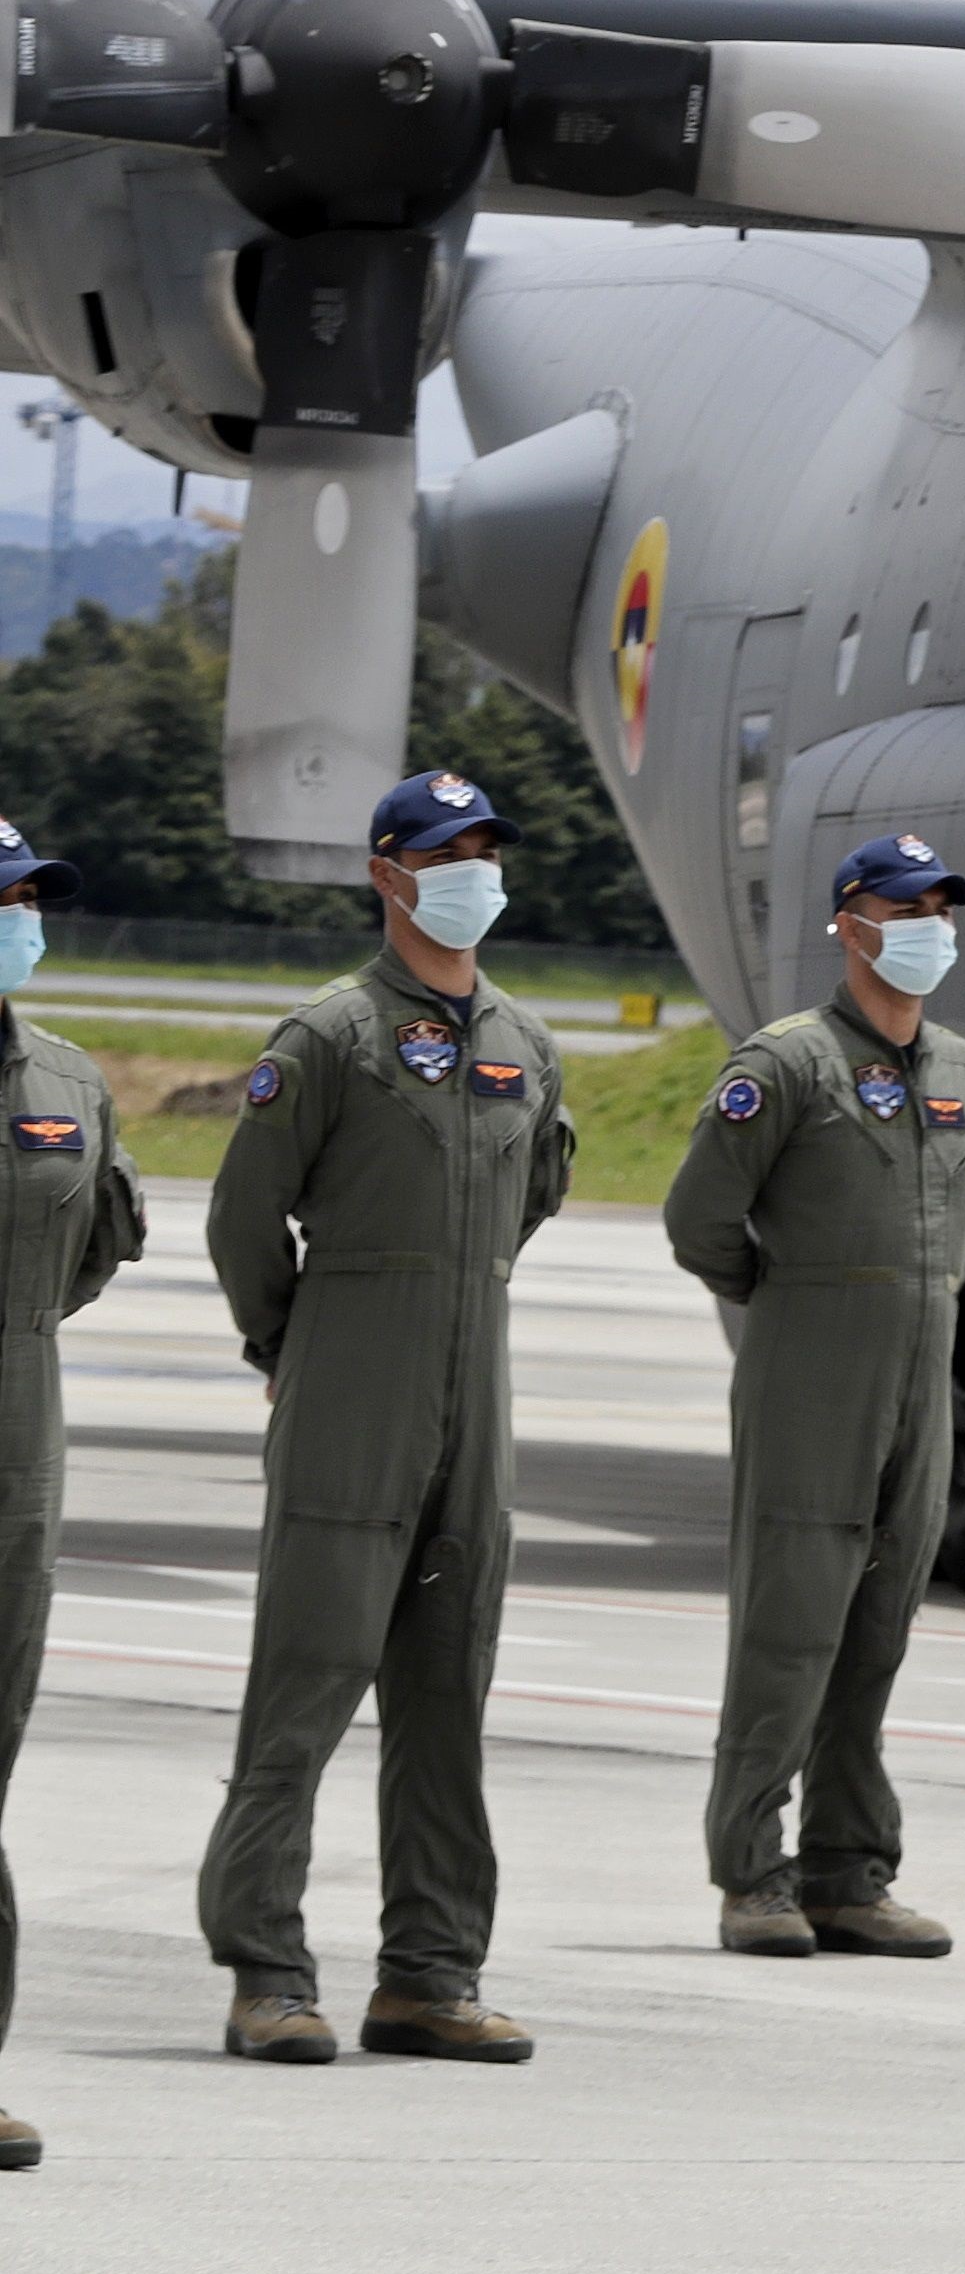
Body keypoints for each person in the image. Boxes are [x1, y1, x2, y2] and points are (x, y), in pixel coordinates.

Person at [197, 771, 576, 2070]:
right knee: (305, 1682)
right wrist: (287, 1343)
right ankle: (266, 1967)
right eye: (446, 850)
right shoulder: (329, 1036)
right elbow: (245, 1215)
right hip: (352, 1380)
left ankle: (430, 1971)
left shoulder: (524, 1041)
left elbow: (540, 1187)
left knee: (448, 1690)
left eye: (487, 847)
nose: (475, 869)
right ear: (389, 872)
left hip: (479, 1385)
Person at [664, 831, 965, 1960]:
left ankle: (849, 1870)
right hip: (810, 1375)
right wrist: (790, 1298)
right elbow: (701, 1219)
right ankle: (751, 1874)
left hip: (920, 1378)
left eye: (940, 910)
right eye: (905, 909)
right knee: (789, 1630)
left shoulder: (963, 1069)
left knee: (878, 1627)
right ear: (851, 922)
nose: (928, 929)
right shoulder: (786, 1065)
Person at [0, 817, 143, 2171]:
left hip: (17, 1448)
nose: (23, 916)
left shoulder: (68, 1078)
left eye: (32, 896)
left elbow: (95, 1243)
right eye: (7, 896)